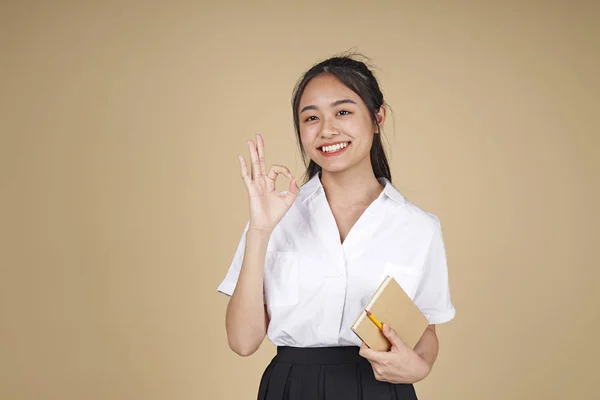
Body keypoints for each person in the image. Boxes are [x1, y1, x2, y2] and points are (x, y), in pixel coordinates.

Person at [217, 54, 456, 400]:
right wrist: (260, 231)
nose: (327, 129)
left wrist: (421, 366)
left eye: (343, 112)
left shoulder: (418, 227)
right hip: (290, 389)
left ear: (377, 118)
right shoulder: (274, 217)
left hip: (380, 390)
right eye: (311, 117)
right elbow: (242, 342)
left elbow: (424, 331)